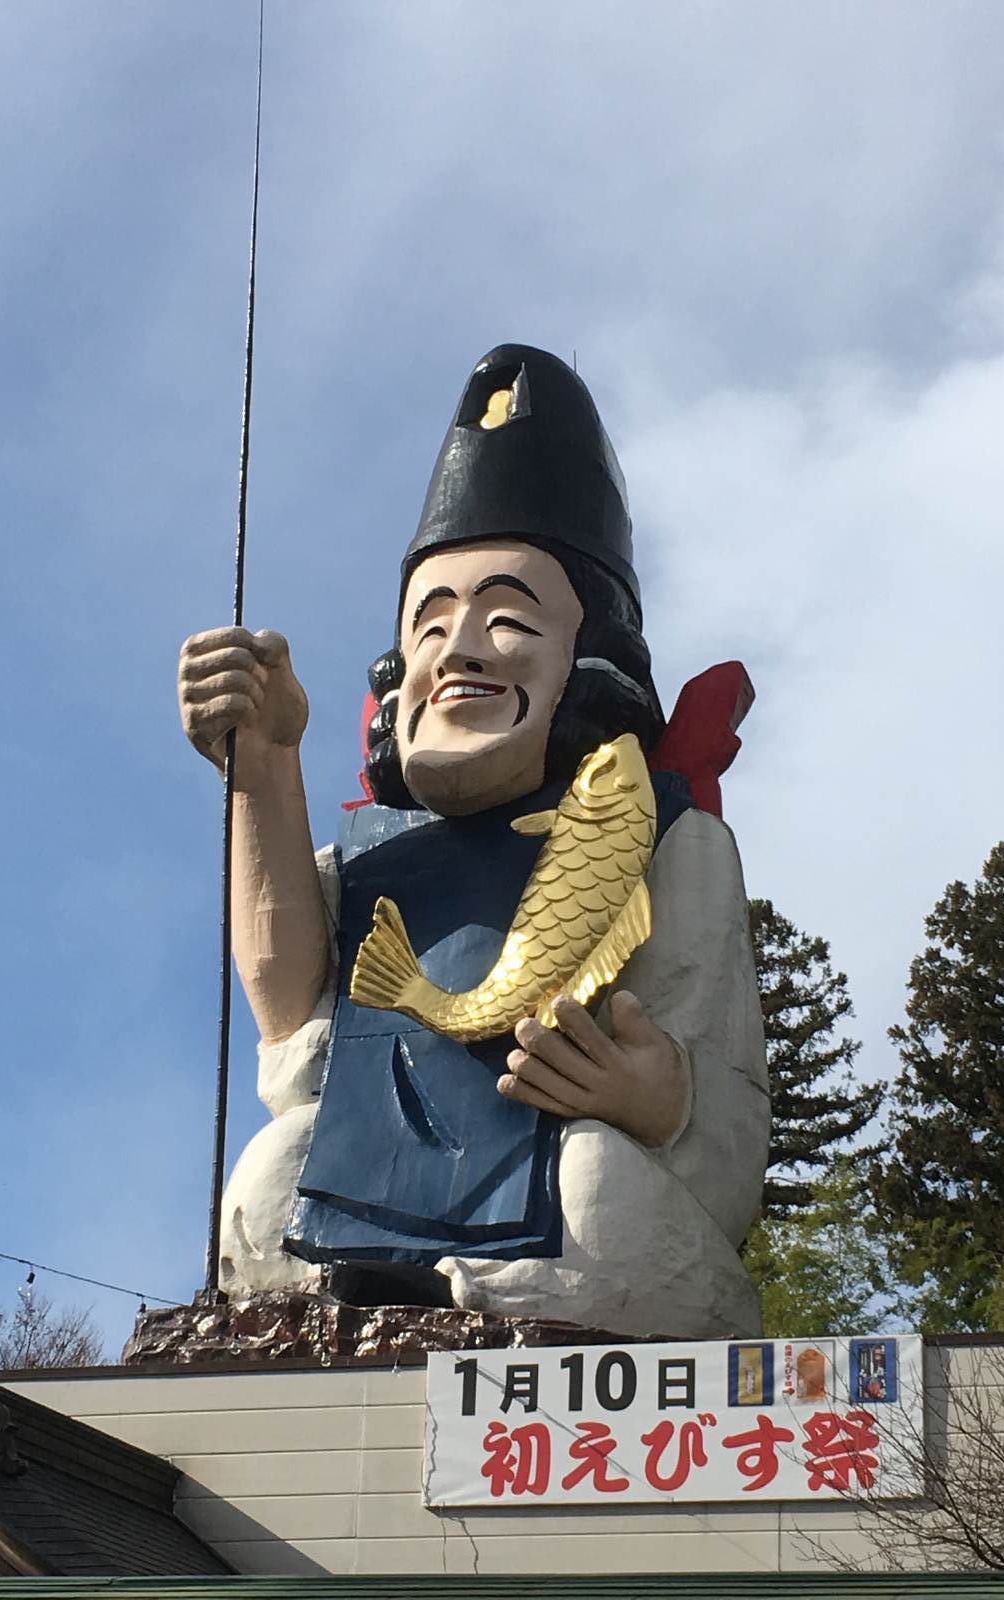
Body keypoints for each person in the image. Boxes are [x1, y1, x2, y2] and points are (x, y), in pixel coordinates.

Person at [177, 345, 768, 1337]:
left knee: (598, 1187)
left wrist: (654, 1096)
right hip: (369, 1170)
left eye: (508, 620)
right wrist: (263, 769)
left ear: (588, 666)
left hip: (559, 1206)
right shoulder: (374, 855)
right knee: (269, 1178)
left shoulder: (668, 837)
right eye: (431, 622)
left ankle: (495, 1305)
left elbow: (721, 1112)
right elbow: (288, 1018)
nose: (458, 650)